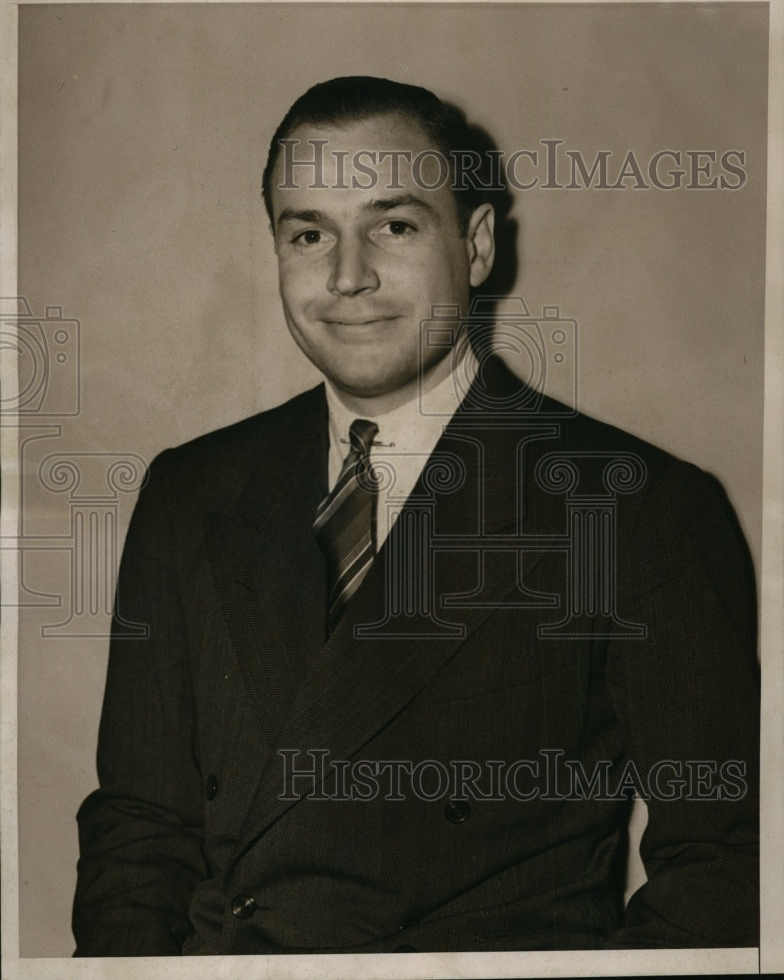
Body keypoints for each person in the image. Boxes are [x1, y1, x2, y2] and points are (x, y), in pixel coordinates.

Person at [72, 76, 759, 955]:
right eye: (309, 233)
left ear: (475, 246)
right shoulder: (190, 491)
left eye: (393, 225)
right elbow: (140, 830)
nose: (348, 276)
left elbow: (726, 863)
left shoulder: (637, 506)